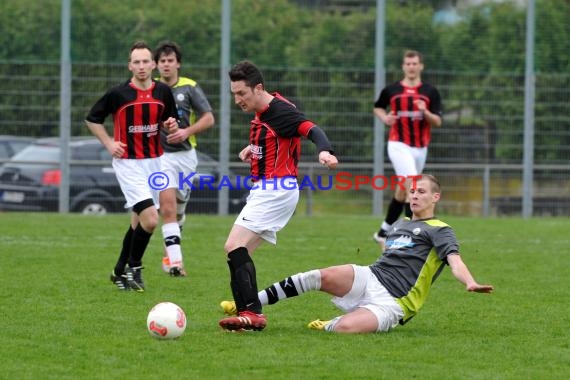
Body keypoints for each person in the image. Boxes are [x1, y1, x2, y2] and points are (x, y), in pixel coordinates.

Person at [221, 174, 494, 333]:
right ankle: (249, 304)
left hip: (394, 302)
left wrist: (469, 281)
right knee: (316, 276)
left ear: (435, 197)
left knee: (344, 330)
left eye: (421, 192)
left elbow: (455, 262)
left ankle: (330, 323)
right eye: (411, 191)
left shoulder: (441, 229)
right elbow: (391, 257)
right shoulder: (400, 224)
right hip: (371, 275)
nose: (414, 196)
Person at [217, 60, 339, 332]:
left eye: (242, 94)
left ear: (258, 88)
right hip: (268, 189)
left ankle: (252, 313)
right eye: (234, 93)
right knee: (240, 252)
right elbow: (276, 136)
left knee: (233, 246)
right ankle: (245, 313)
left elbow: (310, 129)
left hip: (276, 189)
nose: (237, 100)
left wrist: (324, 150)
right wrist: (253, 146)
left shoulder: (280, 110)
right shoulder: (267, 109)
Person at [85, 41, 179, 292]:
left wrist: (171, 126)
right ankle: (134, 269)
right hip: (129, 164)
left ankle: (118, 272)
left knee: (138, 221)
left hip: (155, 163)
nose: (141, 66)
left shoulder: (162, 91)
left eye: (145, 61)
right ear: (130, 66)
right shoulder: (118, 94)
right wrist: (108, 143)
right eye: (135, 62)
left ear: (153, 64)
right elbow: (92, 119)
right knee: (150, 219)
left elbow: (170, 121)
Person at [153, 41, 215, 277]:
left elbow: (208, 118)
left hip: (186, 157)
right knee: (167, 209)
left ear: (177, 63)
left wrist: (186, 132)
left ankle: (170, 251)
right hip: (160, 157)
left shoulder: (189, 87)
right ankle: (176, 264)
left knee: (178, 211)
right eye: (162, 61)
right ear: (157, 65)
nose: (166, 65)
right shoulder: (152, 88)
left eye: (170, 60)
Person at [372, 50, 442, 250]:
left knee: (403, 190)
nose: (411, 67)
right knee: (413, 184)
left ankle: (383, 232)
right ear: (403, 66)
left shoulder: (430, 92)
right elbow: (378, 107)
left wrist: (425, 111)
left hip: (420, 147)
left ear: (421, 66)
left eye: (415, 63)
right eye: (408, 63)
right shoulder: (392, 90)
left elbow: (437, 121)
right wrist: (384, 118)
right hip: (398, 144)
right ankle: (411, 233)